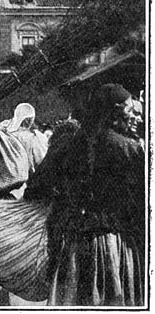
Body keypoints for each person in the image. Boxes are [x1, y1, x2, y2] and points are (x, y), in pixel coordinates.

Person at [25, 83, 144, 306]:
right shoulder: (129, 149)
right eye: (130, 110)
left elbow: (35, 189)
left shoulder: (67, 145)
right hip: (113, 245)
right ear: (115, 111)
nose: (133, 117)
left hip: (73, 244)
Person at [1, 103, 48, 199]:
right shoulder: (33, 138)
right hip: (20, 187)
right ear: (27, 120)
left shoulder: (3, 132)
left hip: (0, 181)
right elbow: (41, 162)